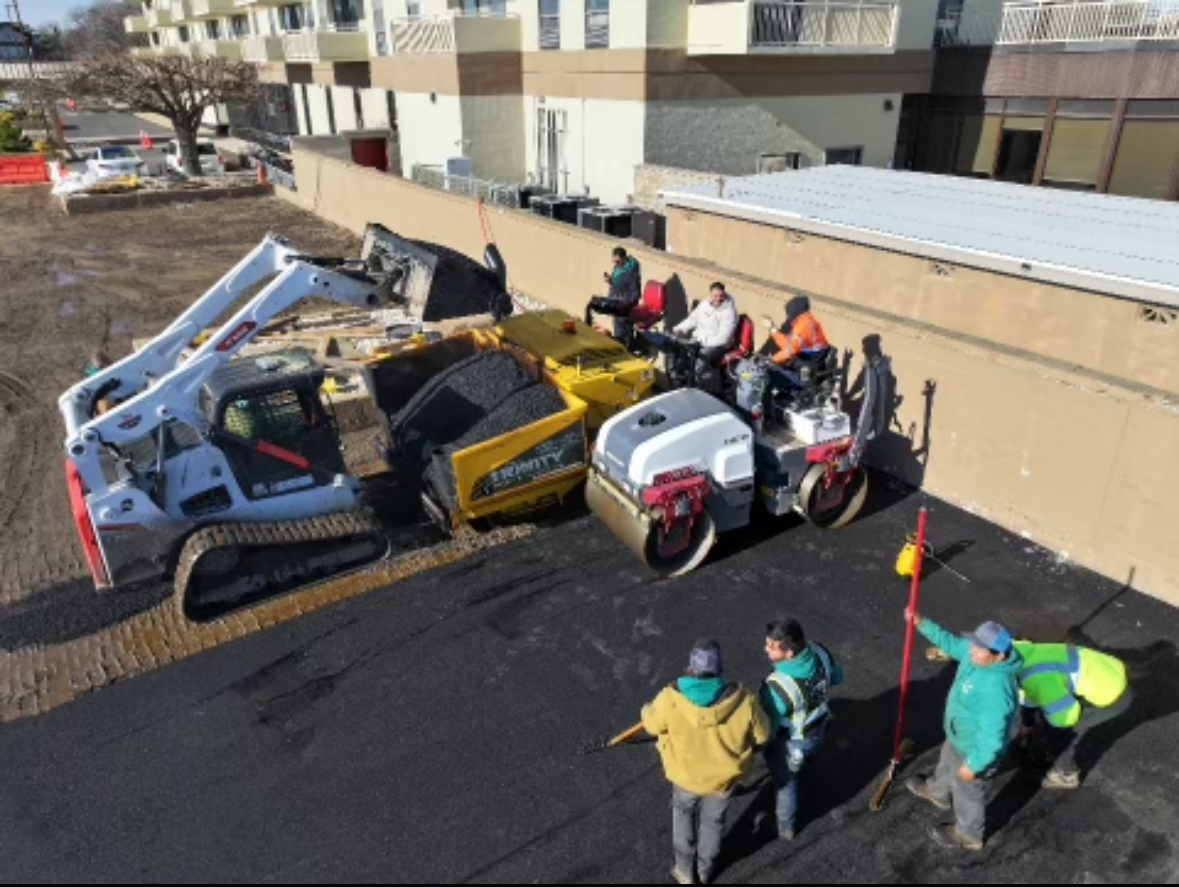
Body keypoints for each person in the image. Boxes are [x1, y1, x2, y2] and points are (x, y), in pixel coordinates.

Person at [641, 639, 771, 886]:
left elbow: (651, 725)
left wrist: (647, 710)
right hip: (722, 781)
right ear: (719, 668)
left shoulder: (669, 697)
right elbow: (763, 735)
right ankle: (706, 870)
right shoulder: (744, 700)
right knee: (714, 822)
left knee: (683, 815)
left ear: (691, 666)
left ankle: (684, 871)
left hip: (685, 777)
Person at [904, 610, 1023, 852]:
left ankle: (969, 834)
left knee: (968, 789)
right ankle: (937, 791)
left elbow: (992, 738)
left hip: (975, 751)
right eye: (973, 644)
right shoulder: (975, 655)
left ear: (999, 656)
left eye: (979, 649)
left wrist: (974, 765)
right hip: (959, 735)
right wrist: (922, 623)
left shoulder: (997, 690)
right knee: (947, 760)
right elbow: (950, 643)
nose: (971, 650)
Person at [758, 619, 843, 841]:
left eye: (771, 647)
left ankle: (785, 826)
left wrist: (759, 745)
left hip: (792, 741)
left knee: (787, 784)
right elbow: (837, 676)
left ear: (789, 652)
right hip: (819, 727)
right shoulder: (819, 651)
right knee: (805, 760)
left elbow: (769, 725)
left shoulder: (778, 686)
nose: (765, 649)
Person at [1013, 639, 1130, 790]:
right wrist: (1027, 723)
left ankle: (1067, 775)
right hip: (1109, 669)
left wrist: (1050, 736)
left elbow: (1064, 718)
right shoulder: (1020, 651)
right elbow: (1030, 695)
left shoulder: (1036, 678)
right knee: (1049, 707)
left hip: (1112, 696)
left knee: (1063, 734)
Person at [643, 282, 738, 391]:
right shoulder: (705, 304)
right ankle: (682, 385)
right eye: (715, 296)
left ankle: (700, 389)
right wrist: (677, 330)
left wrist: (701, 342)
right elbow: (692, 320)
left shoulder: (729, 312)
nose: (718, 299)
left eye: (721, 296)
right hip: (699, 340)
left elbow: (723, 339)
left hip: (717, 345)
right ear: (710, 294)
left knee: (698, 363)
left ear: (724, 295)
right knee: (681, 356)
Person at [762, 295, 830, 390]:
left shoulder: (802, 326)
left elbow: (789, 351)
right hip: (812, 364)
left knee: (771, 374)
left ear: (794, 311)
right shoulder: (809, 321)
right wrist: (772, 329)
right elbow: (788, 345)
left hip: (806, 370)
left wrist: (772, 360)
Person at [585, 246, 642, 339]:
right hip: (616, 305)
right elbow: (619, 284)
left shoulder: (631, 273)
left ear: (624, 258)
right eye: (614, 261)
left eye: (618, 261)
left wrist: (626, 305)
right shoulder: (618, 267)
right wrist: (610, 280)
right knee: (618, 330)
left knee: (623, 333)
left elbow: (635, 293)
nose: (615, 263)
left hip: (624, 308)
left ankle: (627, 348)